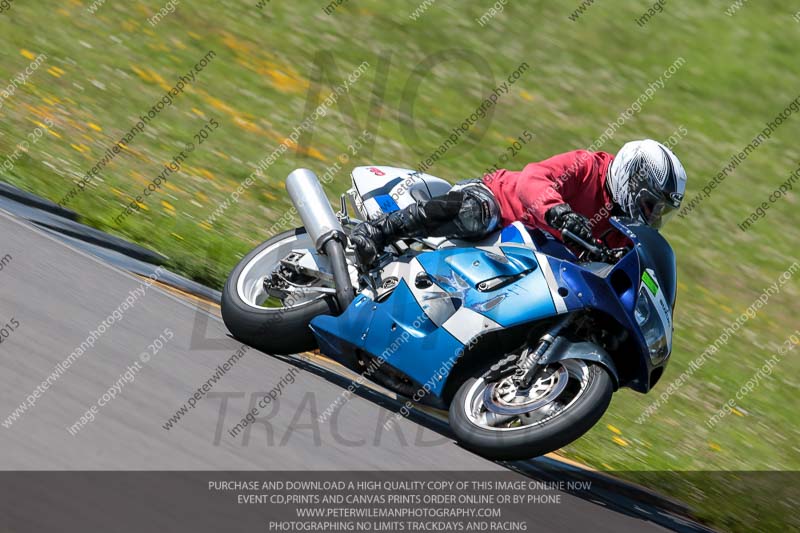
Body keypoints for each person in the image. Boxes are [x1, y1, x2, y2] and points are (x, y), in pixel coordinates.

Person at [350, 139, 687, 266]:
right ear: (633, 178)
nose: (651, 215)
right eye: (650, 204)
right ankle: (378, 231)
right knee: (474, 214)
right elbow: (532, 180)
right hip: (500, 209)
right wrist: (560, 213)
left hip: (531, 258)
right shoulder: (587, 165)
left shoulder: (619, 229)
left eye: (659, 211)